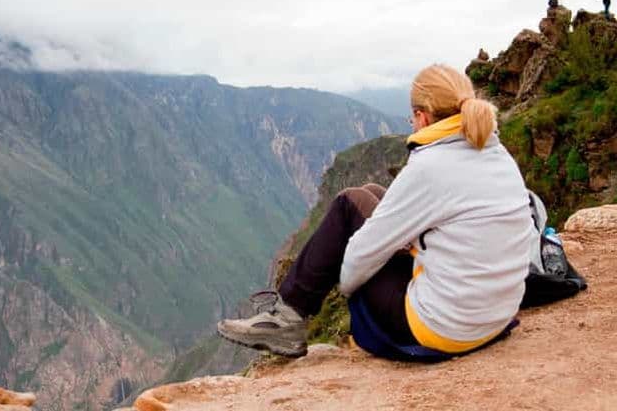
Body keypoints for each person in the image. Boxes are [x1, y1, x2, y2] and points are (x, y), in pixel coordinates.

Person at [217, 64, 535, 360]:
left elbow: (359, 259)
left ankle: (287, 319)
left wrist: (350, 285)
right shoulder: (496, 152)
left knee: (349, 203)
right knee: (372, 194)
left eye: (412, 118)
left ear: (422, 117)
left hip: (446, 329)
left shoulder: (430, 166)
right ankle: (287, 316)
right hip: (496, 315)